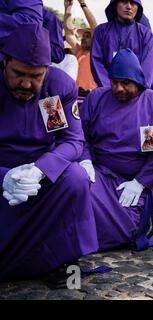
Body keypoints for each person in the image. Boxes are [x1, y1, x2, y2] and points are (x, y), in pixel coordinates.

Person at [0, 24, 98, 283]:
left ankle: (60, 258)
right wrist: (4, 177)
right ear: (5, 61)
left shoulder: (54, 87)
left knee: (75, 178)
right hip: (2, 172)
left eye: (36, 76)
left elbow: (73, 140)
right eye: (19, 73)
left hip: (39, 172)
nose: (26, 83)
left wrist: (41, 169)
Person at [79, 48, 153, 251]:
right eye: (114, 82)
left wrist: (141, 182)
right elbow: (81, 135)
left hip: (134, 180)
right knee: (77, 191)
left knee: (125, 229)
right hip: (100, 175)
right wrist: (85, 161)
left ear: (138, 81)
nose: (119, 88)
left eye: (126, 83)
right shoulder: (96, 98)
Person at [90, 0, 153, 88]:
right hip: (107, 91)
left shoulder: (146, 34)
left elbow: (148, 68)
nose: (129, 7)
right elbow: (96, 62)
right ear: (115, 5)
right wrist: (110, 88)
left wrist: (137, 89)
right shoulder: (101, 31)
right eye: (124, 2)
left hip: (136, 93)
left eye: (133, 3)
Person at [64, 0, 98, 95]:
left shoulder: (97, 52)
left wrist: (82, 4)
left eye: (88, 36)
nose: (83, 38)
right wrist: (68, 7)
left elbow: (94, 27)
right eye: (83, 36)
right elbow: (69, 33)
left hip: (91, 95)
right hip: (75, 94)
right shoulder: (79, 50)